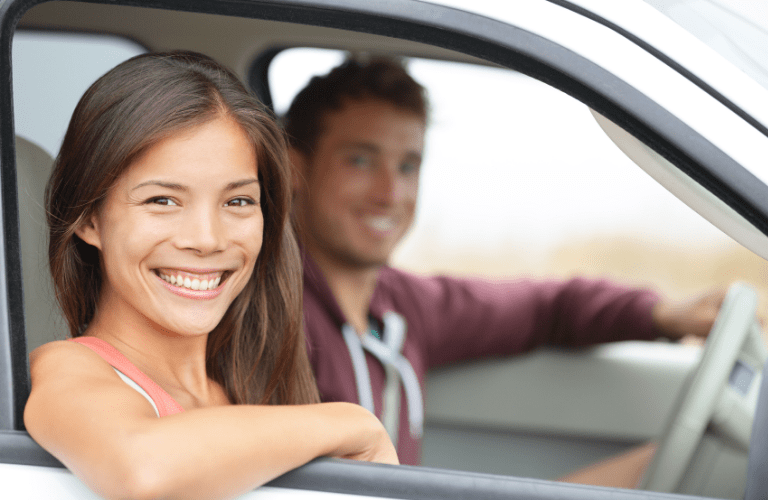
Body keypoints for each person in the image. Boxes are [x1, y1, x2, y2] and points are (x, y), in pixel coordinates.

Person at [283, 57, 724, 479]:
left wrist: (664, 315)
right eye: (360, 160)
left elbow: (545, 308)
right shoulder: (272, 311)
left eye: (408, 166)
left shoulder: (402, 307)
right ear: (294, 168)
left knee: (658, 464)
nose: (390, 192)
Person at [23, 51, 397, 500]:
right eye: (162, 200)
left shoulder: (256, 395)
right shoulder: (68, 369)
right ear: (89, 220)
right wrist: (353, 424)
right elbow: (142, 470)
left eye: (237, 202)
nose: (206, 239)